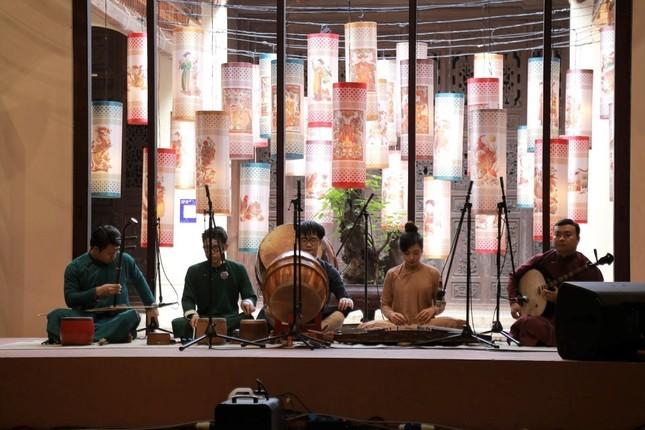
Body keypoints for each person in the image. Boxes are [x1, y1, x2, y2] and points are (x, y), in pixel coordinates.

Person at [46, 225, 158, 344]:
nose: (115, 256)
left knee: (132, 316)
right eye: (110, 253)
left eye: (117, 251)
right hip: (87, 318)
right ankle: (111, 335)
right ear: (95, 249)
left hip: (117, 318)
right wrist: (97, 292)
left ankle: (84, 336)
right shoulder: (75, 267)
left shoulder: (124, 260)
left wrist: (151, 306)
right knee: (55, 315)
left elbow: (140, 281)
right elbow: (70, 299)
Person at [507, 218, 604, 346]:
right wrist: (514, 301)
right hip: (543, 318)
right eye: (557, 235)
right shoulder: (543, 259)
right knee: (527, 322)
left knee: (527, 324)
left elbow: (595, 304)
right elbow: (514, 276)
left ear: (578, 239)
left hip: (571, 322)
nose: (561, 239)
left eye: (567, 235)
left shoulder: (588, 269)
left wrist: (562, 300)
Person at [258, 220, 354, 333]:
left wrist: (345, 299)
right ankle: (294, 332)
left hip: (315, 315)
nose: (308, 244)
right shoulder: (287, 264)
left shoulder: (328, 270)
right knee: (267, 310)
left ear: (320, 242)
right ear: (298, 242)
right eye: (304, 240)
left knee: (344, 309)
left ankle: (312, 333)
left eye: (313, 240)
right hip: (285, 313)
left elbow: (343, 294)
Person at [171, 227, 257, 339]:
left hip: (229, 319)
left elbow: (250, 296)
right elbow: (188, 299)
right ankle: (221, 333)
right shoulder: (194, 271)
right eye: (206, 248)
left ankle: (209, 333)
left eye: (215, 248)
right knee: (178, 323)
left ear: (225, 247)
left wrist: (247, 302)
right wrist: (192, 315)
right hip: (203, 319)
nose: (210, 252)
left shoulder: (238, 269)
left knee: (247, 319)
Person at [377, 222, 462, 329]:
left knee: (458, 324)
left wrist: (433, 310)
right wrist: (391, 314)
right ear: (401, 253)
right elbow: (384, 304)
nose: (411, 257)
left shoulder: (433, 274)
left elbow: (440, 303)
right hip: (399, 327)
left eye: (416, 253)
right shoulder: (392, 274)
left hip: (425, 327)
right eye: (407, 254)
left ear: (422, 251)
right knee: (367, 327)